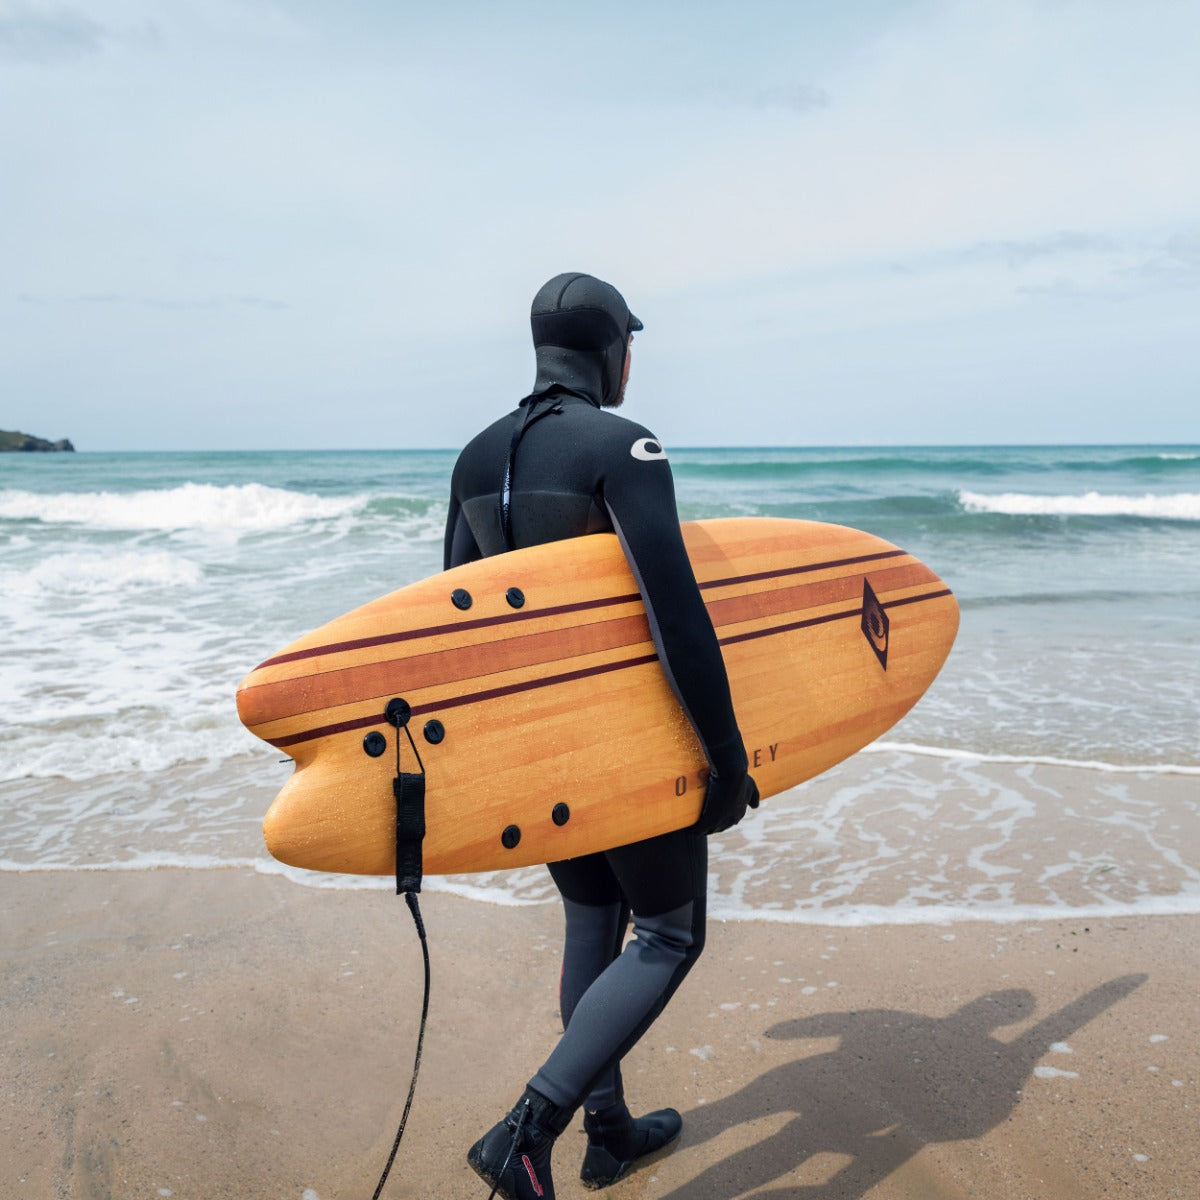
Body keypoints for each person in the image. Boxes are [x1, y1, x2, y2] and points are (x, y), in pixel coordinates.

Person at [444, 272, 759, 1199]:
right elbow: (677, 614)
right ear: (612, 346)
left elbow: (449, 623)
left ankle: (609, 1129)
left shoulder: (474, 456)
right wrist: (726, 757)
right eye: (632, 343)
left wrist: (488, 753)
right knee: (666, 934)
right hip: (621, 742)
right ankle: (526, 1133)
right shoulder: (624, 444)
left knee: (593, 916)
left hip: (532, 740)